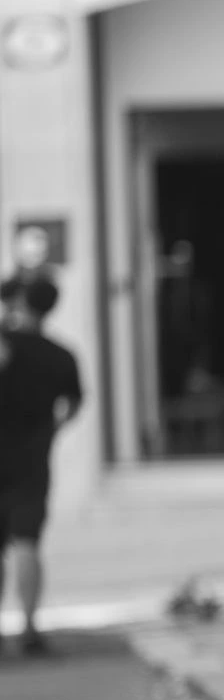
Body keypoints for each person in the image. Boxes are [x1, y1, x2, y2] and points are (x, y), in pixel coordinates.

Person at [0, 274, 83, 657]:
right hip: (32, 458)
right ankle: (29, 627)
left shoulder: (7, 345)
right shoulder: (60, 355)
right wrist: (51, 430)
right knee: (26, 541)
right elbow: (73, 404)